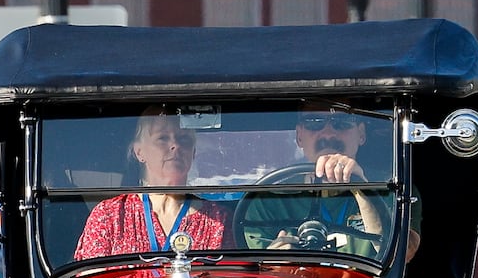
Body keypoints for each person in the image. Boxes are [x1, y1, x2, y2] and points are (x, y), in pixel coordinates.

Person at [244, 104, 420, 261]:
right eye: (314, 122)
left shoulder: (394, 187)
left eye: (342, 121)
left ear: (361, 134)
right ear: (299, 136)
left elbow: (404, 254)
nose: (328, 133)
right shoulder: (268, 197)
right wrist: (274, 261)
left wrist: (362, 188)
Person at [73, 107, 227, 259]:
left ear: (193, 153)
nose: (176, 145)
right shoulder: (109, 216)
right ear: (139, 152)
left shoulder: (220, 220)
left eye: (184, 139)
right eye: (163, 138)